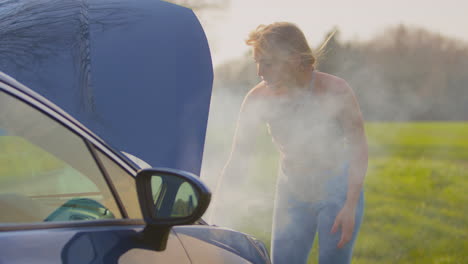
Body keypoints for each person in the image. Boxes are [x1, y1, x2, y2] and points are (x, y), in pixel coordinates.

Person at [218, 22, 368, 264]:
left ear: (294, 59)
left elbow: (358, 149)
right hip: (292, 192)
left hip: (337, 191)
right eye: (257, 62)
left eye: (267, 63)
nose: (259, 72)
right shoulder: (258, 98)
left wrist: (350, 206)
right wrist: (218, 213)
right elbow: (239, 159)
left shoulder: (335, 90)